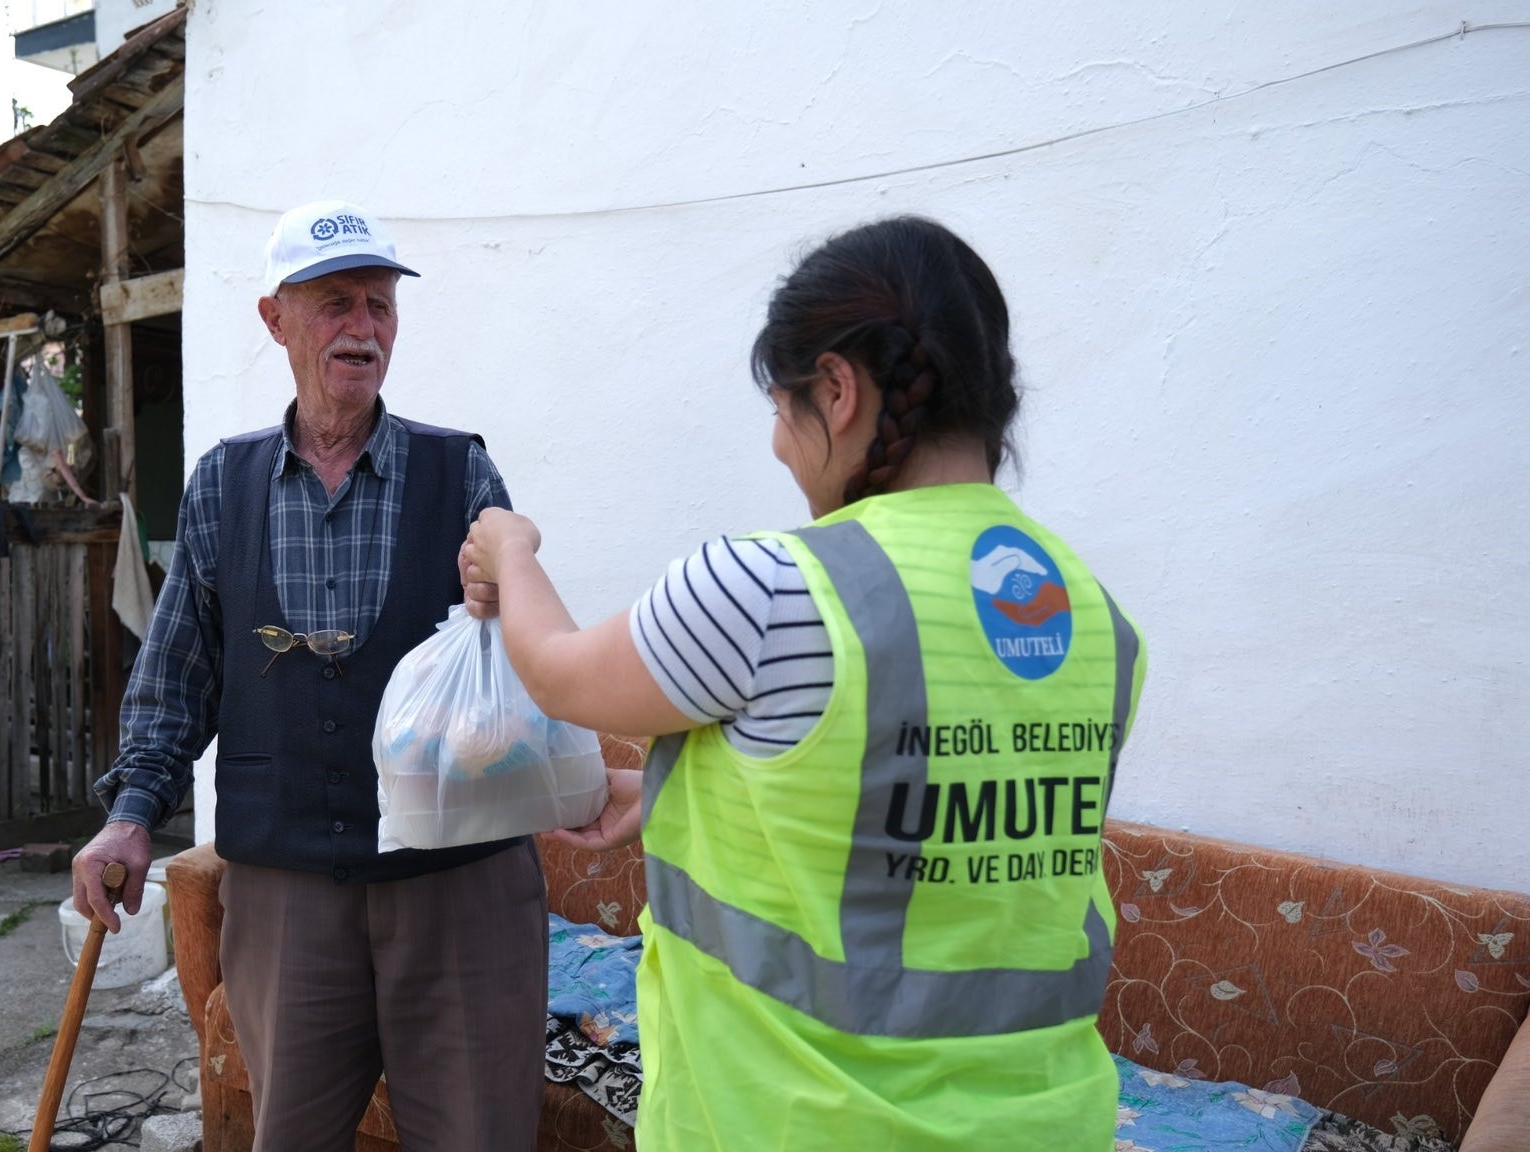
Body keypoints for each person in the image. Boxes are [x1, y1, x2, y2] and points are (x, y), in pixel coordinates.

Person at [463, 215, 1147, 1151]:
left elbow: (557, 674)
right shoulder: (1102, 623)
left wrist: (511, 547)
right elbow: (930, 822)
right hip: (1046, 1124)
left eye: (784, 412)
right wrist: (673, 794)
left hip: (795, 1122)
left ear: (838, 388)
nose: (782, 450)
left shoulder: (772, 588)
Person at [71, 200, 546, 1152]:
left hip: (456, 889)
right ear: (274, 319)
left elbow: (520, 664)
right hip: (287, 893)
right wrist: (130, 813)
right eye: (334, 304)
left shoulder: (462, 475)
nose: (363, 329)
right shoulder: (221, 483)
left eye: (379, 305)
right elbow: (178, 675)